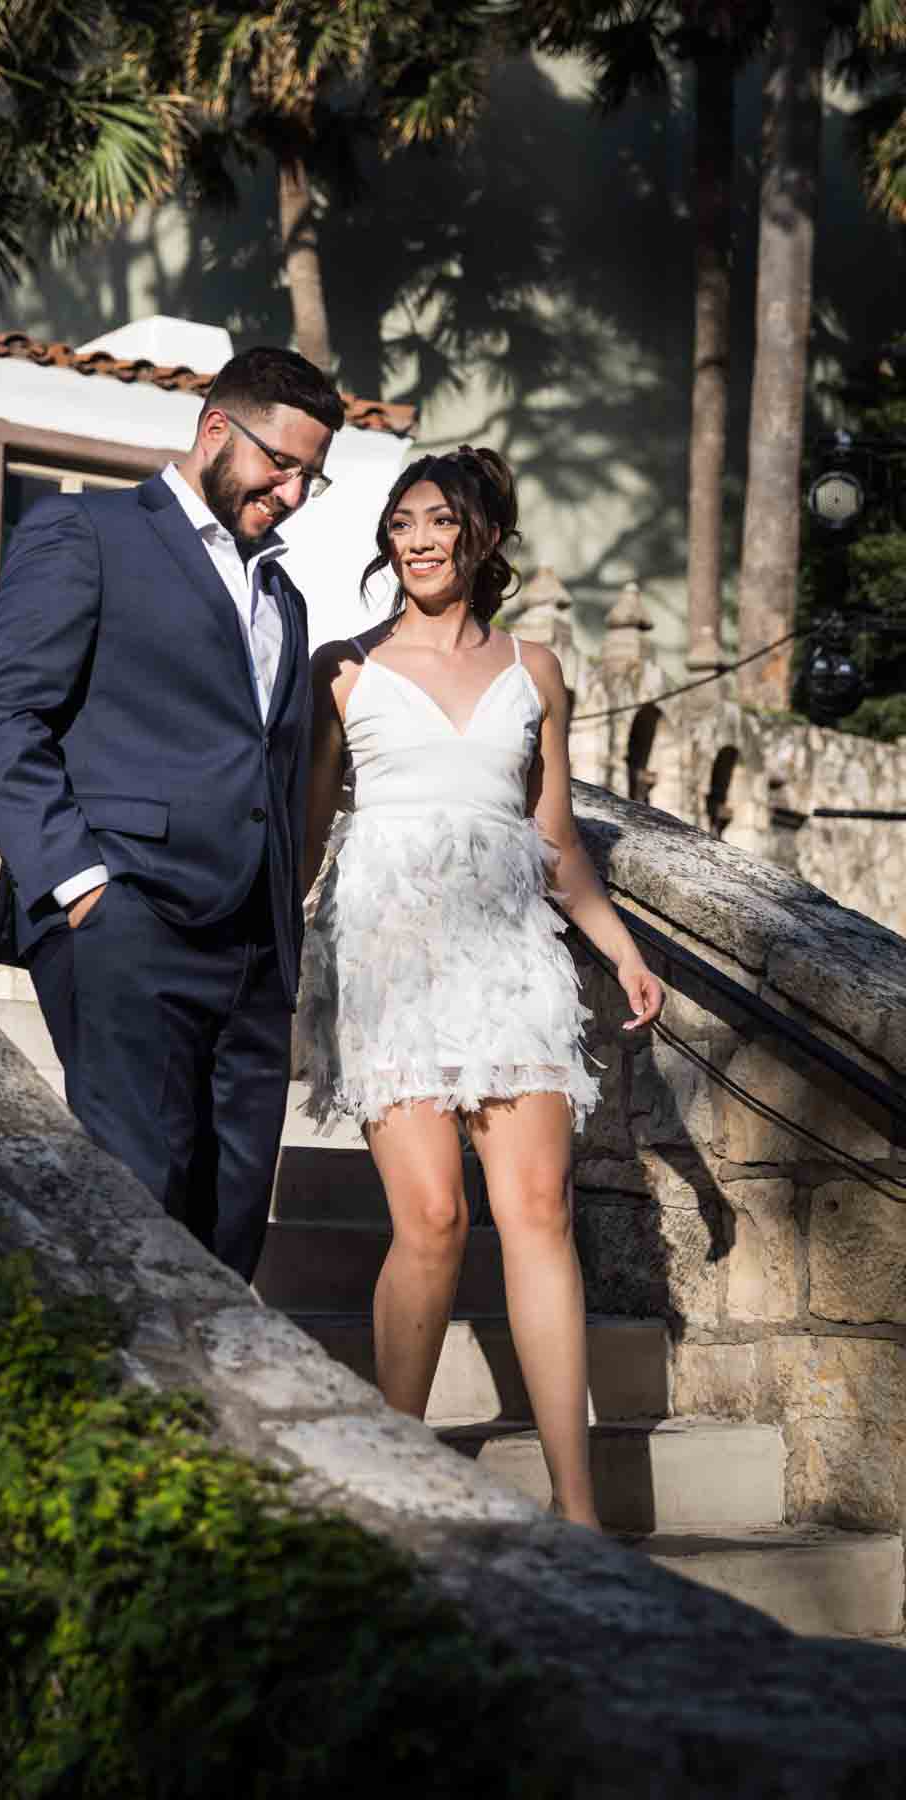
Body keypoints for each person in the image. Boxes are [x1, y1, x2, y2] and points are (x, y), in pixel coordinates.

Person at [298, 446, 664, 1529]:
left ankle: (579, 1504)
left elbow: (555, 843)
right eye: (401, 520)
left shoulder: (537, 667)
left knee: (539, 1210)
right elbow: (310, 830)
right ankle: (393, 1482)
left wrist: (622, 946)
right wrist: (274, 954)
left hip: (510, 956)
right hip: (387, 956)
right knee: (434, 1217)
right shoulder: (343, 668)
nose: (415, 539)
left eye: (438, 521)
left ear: (483, 539)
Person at [0, 346, 345, 1283]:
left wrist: (283, 906)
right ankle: (120, 1416)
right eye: (279, 465)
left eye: (311, 477)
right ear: (217, 428)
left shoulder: (282, 596)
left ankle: (205, 1423)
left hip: (254, 948)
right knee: (138, 1198)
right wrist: (82, 883)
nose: (291, 493)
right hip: (126, 919)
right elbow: (2, 716)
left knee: (235, 1213)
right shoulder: (84, 531)